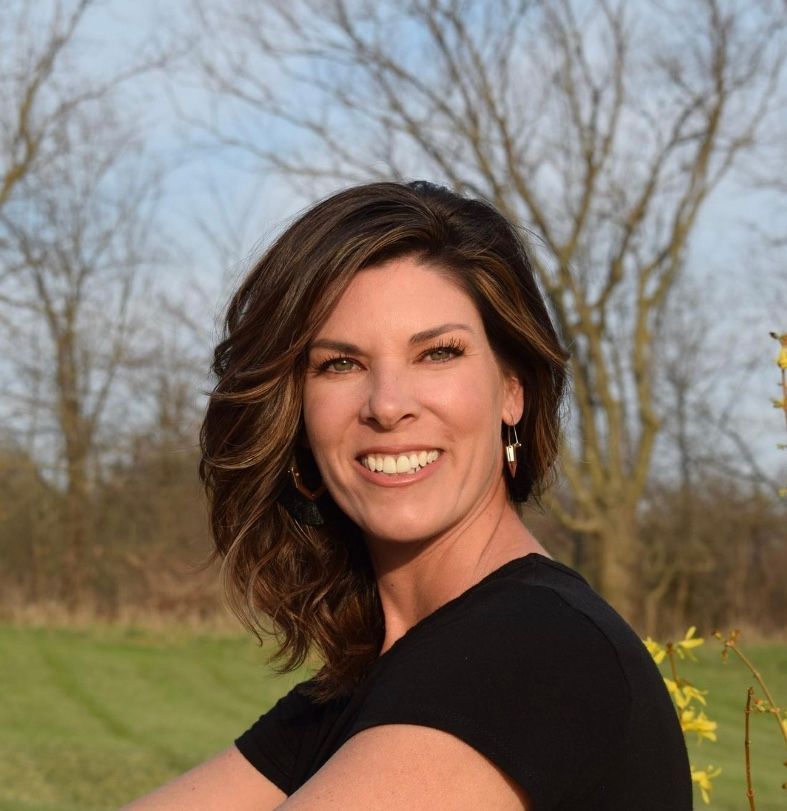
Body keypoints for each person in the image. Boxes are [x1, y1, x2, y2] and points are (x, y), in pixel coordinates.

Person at [123, 181, 692, 810]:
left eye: (438, 353)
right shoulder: (360, 684)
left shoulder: (536, 650)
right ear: (299, 415)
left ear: (512, 390)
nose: (388, 405)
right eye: (340, 364)